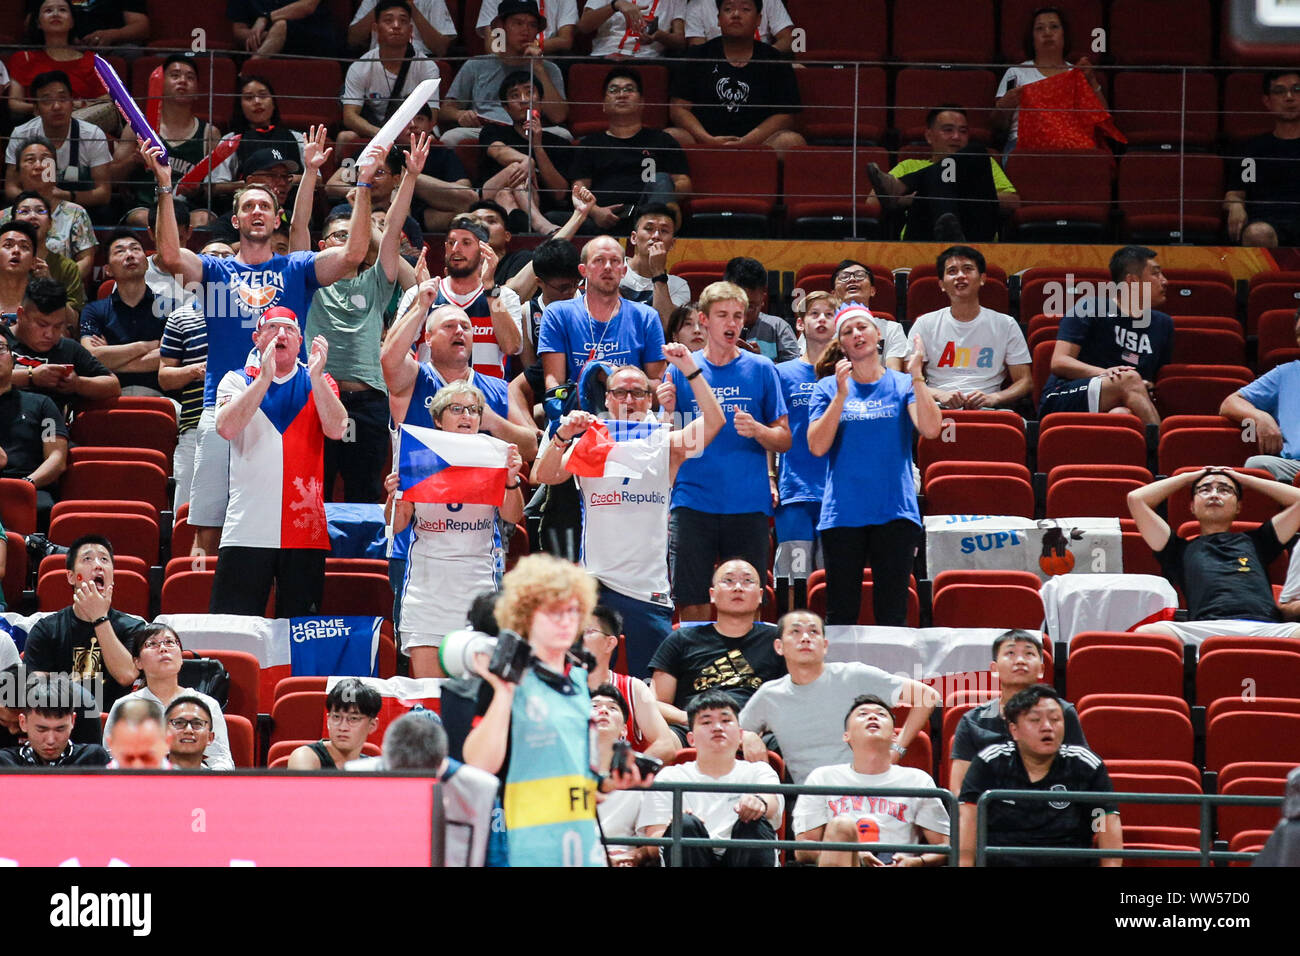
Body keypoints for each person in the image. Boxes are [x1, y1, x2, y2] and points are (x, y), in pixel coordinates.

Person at [143, 137, 374, 560]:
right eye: (248, 206)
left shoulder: (297, 267)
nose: (256, 212)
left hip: (287, 409)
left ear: (277, 217)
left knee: (283, 526)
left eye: (264, 206)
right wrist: (163, 185)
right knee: (207, 529)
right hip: (222, 406)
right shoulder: (214, 269)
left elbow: (355, 253)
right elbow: (171, 255)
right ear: (235, 221)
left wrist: (362, 186)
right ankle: (207, 618)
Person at [535, 344, 724, 678]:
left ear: (649, 400)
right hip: (597, 586)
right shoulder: (588, 441)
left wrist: (690, 369)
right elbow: (546, 475)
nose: (629, 400)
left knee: (649, 691)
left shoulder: (666, 442)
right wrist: (563, 434)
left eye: (638, 392)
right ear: (607, 399)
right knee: (589, 687)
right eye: (620, 392)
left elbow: (714, 422)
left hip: (647, 591)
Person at [463, 553, 652, 867]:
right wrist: (504, 693)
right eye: (553, 612)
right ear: (525, 617)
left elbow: (582, 777)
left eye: (572, 611)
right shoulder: (508, 679)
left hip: (583, 841)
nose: (566, 621)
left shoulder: (579, 679)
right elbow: (479, 763)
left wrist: (611, 781)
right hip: (526, 844)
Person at [303, 129, 430, 505]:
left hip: (369, 404)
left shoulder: (377, 281)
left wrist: (409, 176)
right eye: (339, 237)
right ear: (323, 246)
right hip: (318, 399)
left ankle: (364, 565)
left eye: (353, 236)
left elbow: (390, 232)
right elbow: (297, 229)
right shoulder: (305, 279)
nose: (348, 243)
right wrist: (312, 175)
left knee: (366, 498)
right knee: (312, 497)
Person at [807, 305, 940, 627]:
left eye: (862, 328)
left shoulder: (901, 384)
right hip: (843, 514)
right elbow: (817, 446)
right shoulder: (827, 388)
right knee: (841, 613)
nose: (857, 335)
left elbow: (931, 428)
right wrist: (840, 396)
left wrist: (917, 374)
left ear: (877, 334)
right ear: (841, 344)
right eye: (848, 331)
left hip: (894, 512)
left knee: (892, 612)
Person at [210, 310, 347, 617]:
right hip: (246, 528)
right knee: (234, 627)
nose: (281, 335)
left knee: (299, 635)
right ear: (257, 339)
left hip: (304, 531)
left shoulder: (321, 381)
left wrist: (315, 377)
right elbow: (226, 428)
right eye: (272, 328)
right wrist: (263, 379)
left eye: (289, 330)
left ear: (300, 343)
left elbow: (338, 429)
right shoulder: (235, 379)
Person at [665, 282, 790, 621]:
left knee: (746, 599)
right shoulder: (680, 369)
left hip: (747, 503)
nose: (732, 323)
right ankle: (697, 671)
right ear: (703, 320)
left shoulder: (762, 369)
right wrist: (664, 411)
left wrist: (759, 431)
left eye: (738, 315)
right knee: (691, 598)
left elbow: (784, 439)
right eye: (722, 315)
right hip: (692, 502)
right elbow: (670, 441)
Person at [392, 381, 526, 678]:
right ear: (438, 419)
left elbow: (512, 516)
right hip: (427, 592)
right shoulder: (418, 456)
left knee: (476, 699)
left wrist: (511, 480)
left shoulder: (496, 453)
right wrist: (397, 494)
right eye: (457, 409)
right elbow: (399, 524)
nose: (467, 416)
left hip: (478, 590)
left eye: (473, 410)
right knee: (429, 696)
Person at [739, 610, 939, 785]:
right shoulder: (770, 694)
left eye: (814, 632)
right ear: (779, 646)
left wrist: (896, 751)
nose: (805, 638)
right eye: (795, 632)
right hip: (810, 802)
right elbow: (732, 730)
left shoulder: (854, 675)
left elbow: (927, 696)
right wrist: (746, 735)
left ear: (825, 645)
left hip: (865, 788)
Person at [1127, 467, 1300, 643]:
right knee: (1147, 633)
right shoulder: (1177, 550)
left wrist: (1245, 480)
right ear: (1192, 507)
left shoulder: (1259, 542)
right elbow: (1136, 499)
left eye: (1225, 490)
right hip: (1205, 629)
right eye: (1204, 490)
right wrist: (1187, 478)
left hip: (1264, 627)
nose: (1214, 495)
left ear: (1238, 506)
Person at [959, 684, 1122, 866]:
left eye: (1055, 719)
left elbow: (1106, 824)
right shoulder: (989, 762)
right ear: (1014, 730)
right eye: (1035, 720)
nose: (1047, 727)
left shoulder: (1086, 765)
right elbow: (968, 821)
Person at [793, 695, 950, 867]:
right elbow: (803, 850)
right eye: (863, 714)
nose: (873, 716)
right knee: (842, 826)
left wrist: (916, 862)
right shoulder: (822, 778)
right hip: (843, 862)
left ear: (893, 736)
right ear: (846, 735)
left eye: (881, 714)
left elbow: (943, 847)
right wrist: (852, 853)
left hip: (895, 863)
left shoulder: (918, 780)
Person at [640, 689, 783, 867]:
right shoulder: (669, 777)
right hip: (692, 856)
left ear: (740, 734)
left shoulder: (759, 770)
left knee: (753, 821)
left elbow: (773, 803)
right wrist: (673, 826)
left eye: (725, 720)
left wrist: (759, 802)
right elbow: (653, 846)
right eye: (706, 722)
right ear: (690, 739)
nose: (717, 727)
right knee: (685, 825)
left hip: (743, 856)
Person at [650, 558, 785, 737]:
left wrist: (759, 727)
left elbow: (796, 696)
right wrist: (694, 719)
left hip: (757, 730)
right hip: (691, 726)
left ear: (761, 595)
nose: (738, 587)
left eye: (747, 581)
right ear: (712, 594)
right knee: (668, 741)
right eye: (728, 581)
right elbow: (655, 703)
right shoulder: (681, 639)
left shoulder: (778, 641)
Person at [1038, 245, 1172, 424]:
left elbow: (1155, 377)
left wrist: (1145, 384)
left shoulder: (1163, 324)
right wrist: (1108, 375)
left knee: (1121, 415)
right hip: (1063, 394)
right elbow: (1059, 362)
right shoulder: (1091, 308)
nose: (1165, 281)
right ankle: (1165, 447)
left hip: (1125, 398)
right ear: (1132, 281)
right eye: (1155, 274)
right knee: (1129, 379)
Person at [948, 629, 1087, 796]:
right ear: (994, 669)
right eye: (1010, 653)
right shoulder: (973, 721)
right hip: (991, 817)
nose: (1020, 660)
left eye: (1029, 653)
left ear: (1042, 669)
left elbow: (1083, 775)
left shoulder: (1063, 714)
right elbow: (959, 790)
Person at [18, 534, 147, 711]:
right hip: (61, 726)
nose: (98, 565)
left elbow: (126, 675)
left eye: (104, 559)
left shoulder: (134, 627)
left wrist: (99, 618)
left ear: (112, 576)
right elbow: (37, 690)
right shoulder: (46, 629)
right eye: (87, 559)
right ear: (71, 577)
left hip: (116, 727)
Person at [393, 214, 524, 380]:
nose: (456, 249)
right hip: (433, 398)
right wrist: (421, 302)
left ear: (484, 250)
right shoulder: (420, 293)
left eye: (466, 243)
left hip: (486, 400)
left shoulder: (503, 297)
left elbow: (511, 346)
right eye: (450, 242)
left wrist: (491, 290)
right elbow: (396, 347)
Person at [667, 0, 804, 154]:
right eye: (728, 9)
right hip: (704, 140)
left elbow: (785, 116)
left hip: (759, 144)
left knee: (791, 141)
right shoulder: (697, 55)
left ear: (758, 20)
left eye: (745, 9)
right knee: (671, 136)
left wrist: (746, 142)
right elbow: (678, 109)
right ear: (718, 19)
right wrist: (707, 139)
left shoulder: (774, 59)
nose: (736, 15)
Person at [158, 239, 235, 513]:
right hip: (194, 425)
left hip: (244, 427)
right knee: (188, 512)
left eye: (228, 256)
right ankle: (188, 558)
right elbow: (165, 377)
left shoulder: (251, 314)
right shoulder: (180, 318)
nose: (221, 261)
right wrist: (195, 371)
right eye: (213, 256)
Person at [868, 106, 1019, 242]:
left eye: (963, 131)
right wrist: (924, 198)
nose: (956, 137)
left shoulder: (982, 164)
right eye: (948, 130)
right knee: (939, 177)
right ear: (929, 135)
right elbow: (873, 201)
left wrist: (951, 195)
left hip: (973, 238)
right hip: (924, 238)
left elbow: (1013, 202)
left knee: (977, 151)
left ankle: (903, 184)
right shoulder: (909, 165)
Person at [770, 292, 834, 610]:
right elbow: (771, 431)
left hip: (839, 497)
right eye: (815, 314)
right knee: (793, 578)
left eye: (829, 314)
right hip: (795, 492)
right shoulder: (782, 374)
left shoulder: (849, 376)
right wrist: (771, 478)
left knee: (831, 579)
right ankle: (791, 642)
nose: (822, 319)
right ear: (801, 323)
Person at [538, 234, 666, 392]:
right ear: (583, 270)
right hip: (576, 412)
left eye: (615, 261)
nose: (607, 267)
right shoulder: (557, 314)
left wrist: (623, 379)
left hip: (630, 412)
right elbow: (554, 382)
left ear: (624, 271)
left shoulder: (646, 317)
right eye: (599, 260)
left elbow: (659, 387)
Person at [570, 66, 692, 233]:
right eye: (614, 90)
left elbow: (683, 183)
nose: (622, 95)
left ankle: (655, 231)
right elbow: (579, 189)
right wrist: (596, 212)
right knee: (554, 219)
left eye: (629, 89)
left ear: (642, 103)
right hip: (603, 219)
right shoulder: (590, 143)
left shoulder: (662, 140)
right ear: (604, 104)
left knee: (661, 179)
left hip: (645, 214)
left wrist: (664, 192)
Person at [910, 245, 1032, 411]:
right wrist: (938, 394)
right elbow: (907, 381)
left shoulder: (1006, 324)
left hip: (989, 409)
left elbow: (1025, 381)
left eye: (967, 269)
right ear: (942, 284)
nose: (960, 276)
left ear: (982, 278)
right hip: (936, 407)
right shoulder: (924, 324)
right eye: (952, 271)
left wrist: (994, 397)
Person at [109, 54, 223, 228]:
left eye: (190, 77)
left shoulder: (209, 133)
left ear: (197, 91)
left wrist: (199, 190)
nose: (183, 81)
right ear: (160, 85)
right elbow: (112, 178)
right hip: (146, 208)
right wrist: (133, 161)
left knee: (205, 219)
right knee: (140, 217)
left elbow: (214, 189)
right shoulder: (136, 127)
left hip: (188, 212)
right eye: (175, 75)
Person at [438, 0, 569, 148]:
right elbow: (445, 111)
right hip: (486, 130)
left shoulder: (549, 68)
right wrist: (460, 115)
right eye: (518, 23)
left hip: (532, 129)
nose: (525, 30)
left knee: (564, 135)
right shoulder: (475, 65)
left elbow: (559, 116)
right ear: (501, 27)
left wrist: (538, 68)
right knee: (451, 137)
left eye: (532, 25)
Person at [105, 624, 233, 770]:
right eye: (152, 644)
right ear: (137, 662)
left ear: (181, 657)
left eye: (170, 642)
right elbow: (112, 758)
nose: (163, 648)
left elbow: (221, 760)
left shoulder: (206, 704)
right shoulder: (125, 706)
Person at [992, 6, 1105, 155]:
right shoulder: (1016, 73)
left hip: (1071, 146)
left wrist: (1092, 82)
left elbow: (1102, 122)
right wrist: (1004, 107)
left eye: (1054, 27)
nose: (1047, 33)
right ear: (1032, 38)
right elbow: (997, 125)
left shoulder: (1078, 74)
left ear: (1064, 35)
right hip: (1024, 145)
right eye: (1040, 28)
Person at [10, 272, 121, 417]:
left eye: (57, 326)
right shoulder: (3, 339)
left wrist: (77, 384)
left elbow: (113, 386)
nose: (49, 334)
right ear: (21, 315)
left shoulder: (68, 348)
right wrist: (31, 376)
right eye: (42, 324)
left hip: (50, 431)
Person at [479, 71, 574, 234]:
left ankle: (519, 232)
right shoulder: (492, 131)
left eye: (529, 92)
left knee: (506, 195)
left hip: (529, 203)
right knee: (518, 168)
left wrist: (537, 146)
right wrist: (528, 161)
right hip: (489, 195)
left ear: (541, 100)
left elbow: (559, 193)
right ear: (506, 107)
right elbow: (499, 152)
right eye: (515, 95)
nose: (523, 100)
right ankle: (541, 226)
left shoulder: (559, 143)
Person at [339, 0, 442, 151]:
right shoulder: (359, 67)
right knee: (346, 137)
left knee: (432, 140)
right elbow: (350, 116)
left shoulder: (427, 68)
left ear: (410, 29)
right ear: (375, 28)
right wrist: (383, 135)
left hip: (414, 131)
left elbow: (431, 116)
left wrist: (403, 135)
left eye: (403, 21)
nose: (396, 25)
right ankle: (347, 174)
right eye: (388, 20)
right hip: (376, 130)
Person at [578, 607, 677, 762]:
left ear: (609, 643)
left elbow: (665, 745)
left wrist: (623, 773)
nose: (577, 638)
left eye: (587, 631)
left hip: (622, 785)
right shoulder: (554, 686)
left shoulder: (634, 688)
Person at [3, 71, 111, 210]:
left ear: (72, 102)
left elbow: (103, 193)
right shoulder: (21, 134)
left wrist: (64, 197)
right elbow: (11, 187)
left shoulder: (92, 135)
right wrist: (37, 202)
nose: (57, 106)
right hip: (34, 209)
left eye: (63, 98)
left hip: (80, 208)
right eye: (47, 101)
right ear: (36, 109)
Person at [78, 230, 164, 396]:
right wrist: (146, 346)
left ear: (146, 264)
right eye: (120, 251)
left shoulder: (169, 307)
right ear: (108, 270)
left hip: (160, 396)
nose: (130, 255)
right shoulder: (93, 310)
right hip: (107, 396)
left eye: (135, 249)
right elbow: (91, 356)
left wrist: (111, 358)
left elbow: (168, 357)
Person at [206, 76, 308, 210]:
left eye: (263, 95)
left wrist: (288, 180)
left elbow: (317, 180)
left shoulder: (296, 137)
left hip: (292, 209)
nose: (257, 101)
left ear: (273, 102)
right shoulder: (230, 140)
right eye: (249, 98)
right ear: (240, 105)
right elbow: (214, 187)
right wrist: (255, 185)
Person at [2, 138, 97, 282]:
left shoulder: (76, 213)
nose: (39, 166)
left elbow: (86, 260)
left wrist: (53, 284)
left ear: (56, 171)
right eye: (30, 160)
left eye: (46, 161)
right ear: (19, 172)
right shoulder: (3, 217)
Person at [7, 0, 114, 127]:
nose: (55, 14)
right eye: (48, 10)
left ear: (72, 21)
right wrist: (48, 108)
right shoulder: (23, 58)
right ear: (38, 23)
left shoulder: (90, 60)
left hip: (83, 127)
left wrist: (80, 105)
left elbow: (107, 102)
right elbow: (14, 104)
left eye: (62, 10)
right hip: (38, 127)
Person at [0, 326, 68, 526]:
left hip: (30, 487)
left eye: (1, 349)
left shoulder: (41, 404)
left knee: (43, 507)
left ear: (13, 358)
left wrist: (26, 484)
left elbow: (56, 458)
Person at [1221, 312, 1300, 482]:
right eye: (1299, 334)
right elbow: (1230, 403)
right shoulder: (1286, 373)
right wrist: (1260, 416)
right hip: (1296, 467)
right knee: (1257, 465)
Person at [1226, 70, 1300, 247]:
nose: (1289, 97)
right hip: (1267, 222)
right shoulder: (1252, 150)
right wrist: (1236, 206)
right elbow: (1236, 193)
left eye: (1297, 89)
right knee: (1258, 234)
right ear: (1267, 101)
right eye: (1279, 91)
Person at [589, 684, 655, 865]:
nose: (603, 711)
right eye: (594, 706)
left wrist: (633, 856)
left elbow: (650, 845)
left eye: (612, 708)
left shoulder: (639, 778)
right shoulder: (564, 772)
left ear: (624, 731)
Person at [5, 189, 85, 321]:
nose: (32, 216)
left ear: (50, 224)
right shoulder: (3, 262)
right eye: (24, 211)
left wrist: (50, 286)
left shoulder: (67, 267)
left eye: (40, 211)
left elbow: (74, 322)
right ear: (13, 222)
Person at [0, 674, 110, 767]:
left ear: (72, 721)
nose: (51, 740)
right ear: (23, 723)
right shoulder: (5, 763)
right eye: (41, 729)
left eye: (60, 729)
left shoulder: (93, 759)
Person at [616, 205, 690, 328]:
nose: (656, 236)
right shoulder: (612, 271)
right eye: (649, 229)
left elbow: (665, 327)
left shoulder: (679, 286)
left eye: (664, 231)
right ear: (634, 238)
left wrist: (658, 273)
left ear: (672, 244)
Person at [286, 678, 383, 769]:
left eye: (353, 718)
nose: (343, 727)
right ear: (328, 720)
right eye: (336, 717)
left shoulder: (373, 767)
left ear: (372, 725)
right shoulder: (305, 757)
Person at [829, 260, 906, 370]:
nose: (852, 279)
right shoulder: (820, 327)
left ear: (872, 291)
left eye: (860, 275)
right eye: (844, 277)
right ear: (833, 294)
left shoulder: (892, 329)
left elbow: (894, 374)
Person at [724, 256, 799, 363]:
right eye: (736, 304)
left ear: (762, 297)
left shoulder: (778, 328)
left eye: (750, 307)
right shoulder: (712, 326)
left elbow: (794, 373)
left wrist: (761, 362)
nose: (742, 313)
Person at [577, 0, 686, 60]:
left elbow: (680, 42)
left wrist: (659, 36)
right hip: (604, 54)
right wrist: (615, 5)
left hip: (647, 59)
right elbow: (584, 27)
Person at [228, 0, 337, 57]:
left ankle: (249, 72)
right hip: (264, 42)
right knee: (279, 28)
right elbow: (238, 30)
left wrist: (266, 17)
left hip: (312, 37)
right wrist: (267, 36)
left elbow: (308, 6)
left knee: (281, 26)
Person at [348, 0, 456, 56]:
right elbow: (353, 39)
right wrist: (382, 6)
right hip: (378, 59)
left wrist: (410, 8)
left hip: (419, 61)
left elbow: (441, 49)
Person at [476, 0, 579, 54]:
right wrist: (511, 56)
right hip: (506, 57)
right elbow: (493, 44)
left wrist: (533, 47)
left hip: (547, 55)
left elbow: (565, 40)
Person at [34, 0, 149, 47]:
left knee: (130, 51)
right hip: (55, 43)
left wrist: (113, 35)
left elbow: (141, 26)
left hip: (110, 46)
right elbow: (32, 22)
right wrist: (66, 38)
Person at [683, 0, 793, 49]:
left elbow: (788, 39)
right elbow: (697, 50)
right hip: (716, 67)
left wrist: (765, 56)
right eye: (728, 9)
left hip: (762, 65)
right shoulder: (696, 6)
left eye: (745, 9)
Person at [104, 698, 170, 770]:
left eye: (146, 758)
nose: (137, 766)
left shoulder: (183, 780)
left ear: (167, 742)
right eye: (128, 758)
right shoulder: (96, 780)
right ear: (111, 744)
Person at [164, 694, 218, 770]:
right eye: (179, 723)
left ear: (210, 738)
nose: (188, 730)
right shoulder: (146, 779)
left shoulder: (218, 780)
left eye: (197, 723)